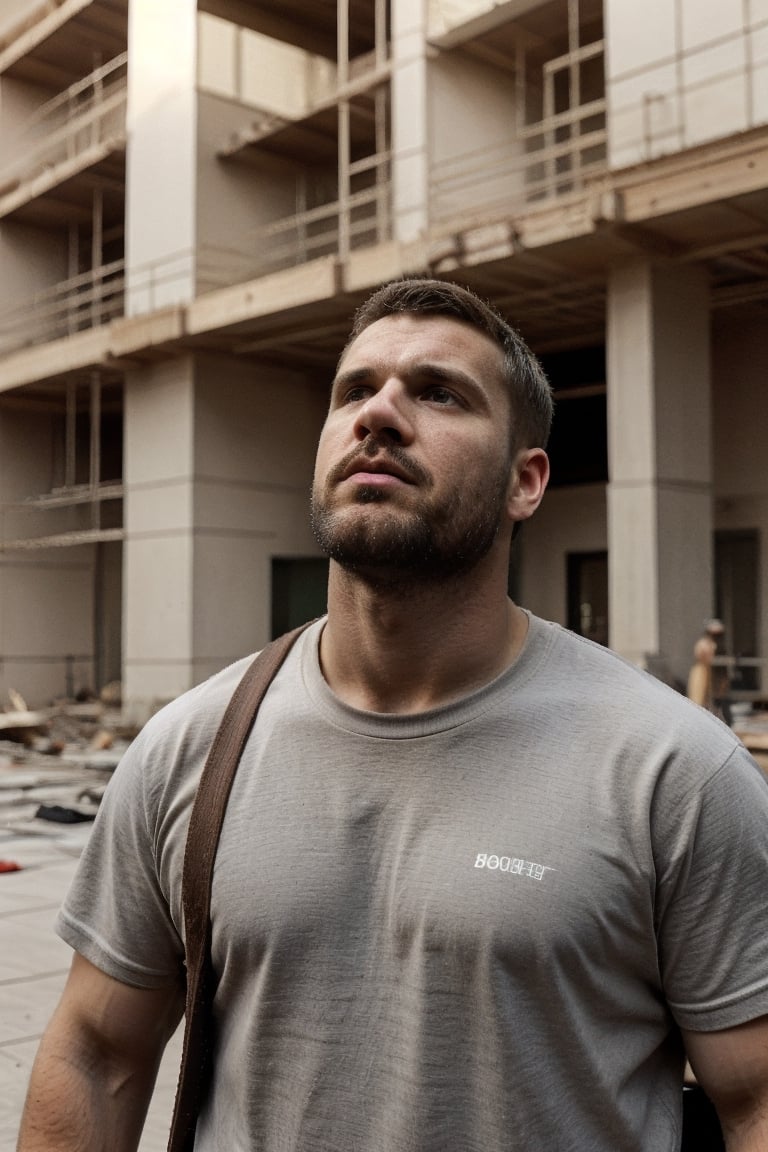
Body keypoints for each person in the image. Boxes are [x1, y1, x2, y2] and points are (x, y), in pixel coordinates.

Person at [17, 279, 768, 1152]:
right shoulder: (191, 747)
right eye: (353, 390)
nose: (379, 414)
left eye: (439, 392)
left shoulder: (671, 769)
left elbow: (753, 1100)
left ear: (526, 482)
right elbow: (96, 1052)